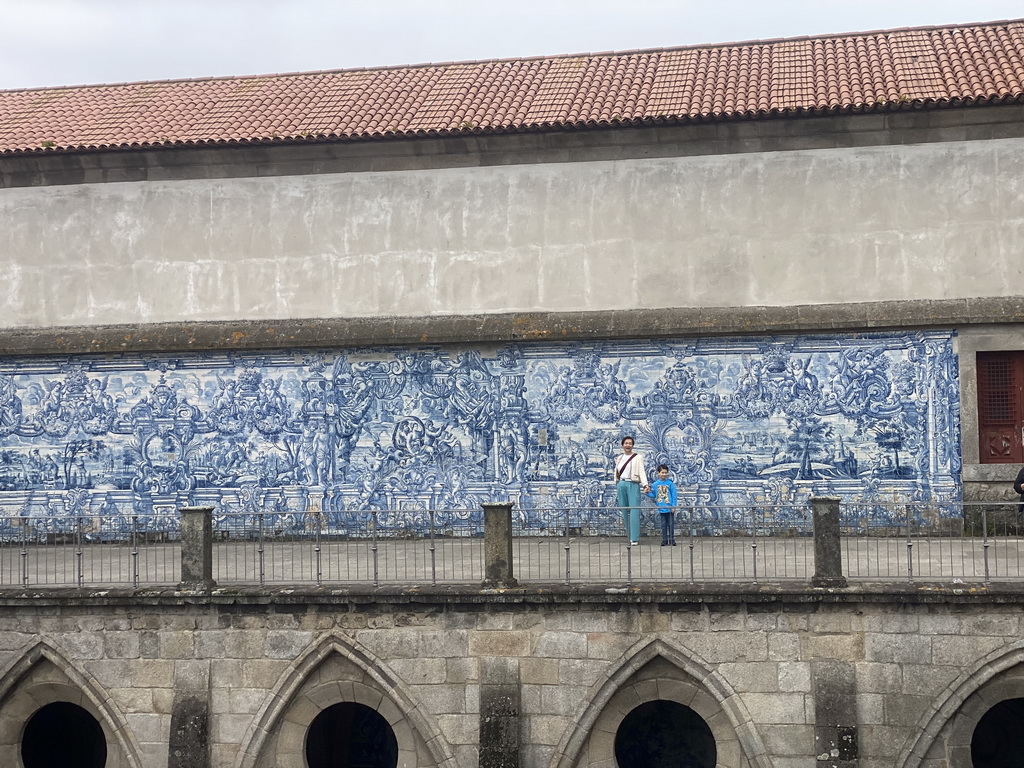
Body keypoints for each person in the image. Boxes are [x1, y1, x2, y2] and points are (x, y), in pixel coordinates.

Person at [613, 436, 649, 545]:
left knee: (634, 510)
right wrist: (617, 482)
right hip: (621, 483)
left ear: (632, 445)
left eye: (630, 443)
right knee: (624, 510)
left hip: (633, 483)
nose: (628, 445)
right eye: (626, 443)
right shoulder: (619, 458)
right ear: (622, 445)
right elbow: (617, 471)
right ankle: (629, 535)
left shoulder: (637, 457)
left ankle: (634, 538)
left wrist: (645, 484)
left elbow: (641, 471)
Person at [647, 464, 678, 546]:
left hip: (670, 508)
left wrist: (673, 506)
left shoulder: (670, 484)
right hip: (661, 508)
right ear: (658, 473)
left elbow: (674, 495)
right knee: (663, 525)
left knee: (671, 524)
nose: (664, 474)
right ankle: (664, 539)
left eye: (665, 472)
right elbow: (654, 495)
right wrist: (647, 493)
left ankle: (672, 539)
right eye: (662, 472)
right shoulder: (655, 484)